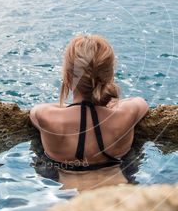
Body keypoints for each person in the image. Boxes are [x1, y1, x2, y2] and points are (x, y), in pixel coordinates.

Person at [29, 34, 149, 191]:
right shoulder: (127, 114)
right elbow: (140, 102)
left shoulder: (45, 115)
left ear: (67, 76)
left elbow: (42, 109)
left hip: (63, 196)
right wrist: (110, 103)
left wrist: (68, 107)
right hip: (121, 188)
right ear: (110, 75)